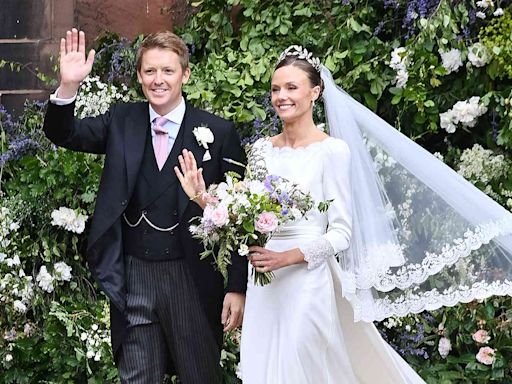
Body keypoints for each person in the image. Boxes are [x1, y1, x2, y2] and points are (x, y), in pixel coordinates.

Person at [43, 28, 247, 383]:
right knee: (137, 377)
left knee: (200, 375)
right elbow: (64, 133)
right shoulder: (122, 121)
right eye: (150, 71)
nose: (158, 80)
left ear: (185, 74)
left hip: (191, 277)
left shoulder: (219, 132)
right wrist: (69, 87)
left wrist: (237, 286)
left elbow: (240, 218)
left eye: (168, 71)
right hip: (135, 273)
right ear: (139, 76)